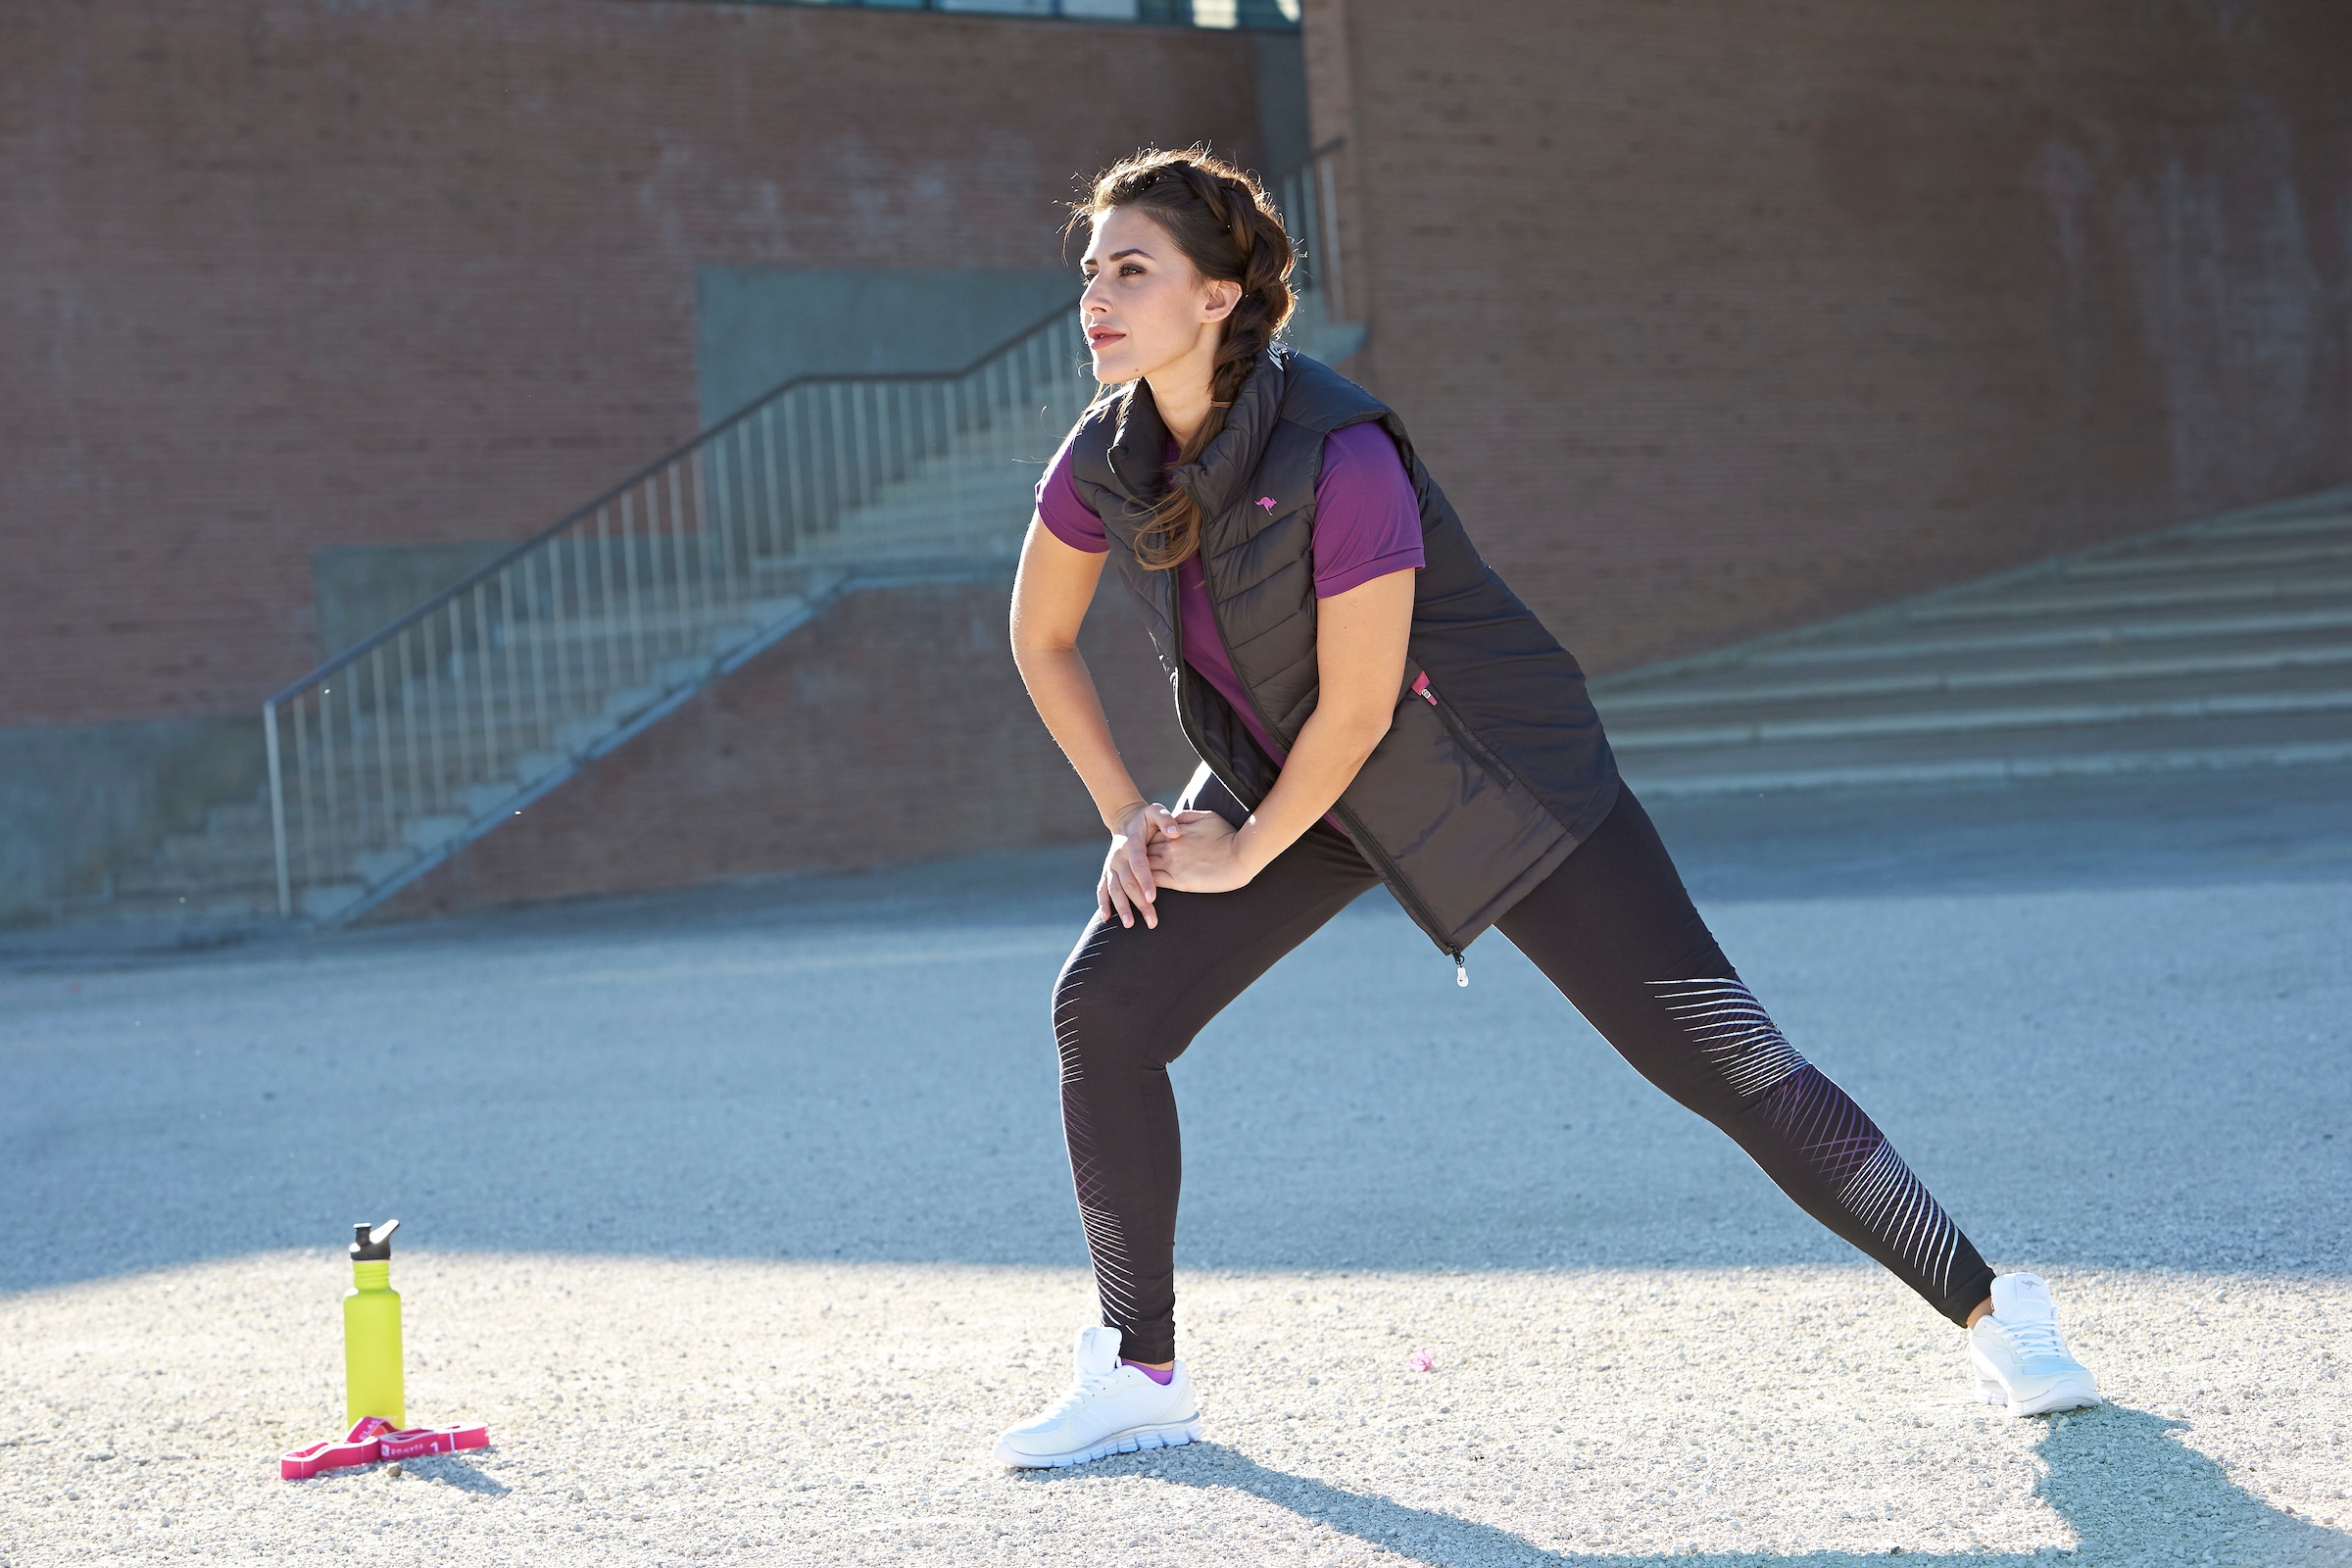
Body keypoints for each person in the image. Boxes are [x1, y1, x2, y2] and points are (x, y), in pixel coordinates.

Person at [994, 147, 2098, 1470]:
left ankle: (1992, 1307)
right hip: (1290, 769)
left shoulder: (1338, 453)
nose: (1096, 298)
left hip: (1492, 773)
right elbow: (1040, 636)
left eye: (1133, 269)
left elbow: (1358, 711)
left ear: (1220, 296)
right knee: (1103, 1006)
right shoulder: (1106, 458)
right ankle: (1139, 1367)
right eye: (1089, 271)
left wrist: (1239, 856)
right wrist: (1131, 814)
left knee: (1723, 1061)